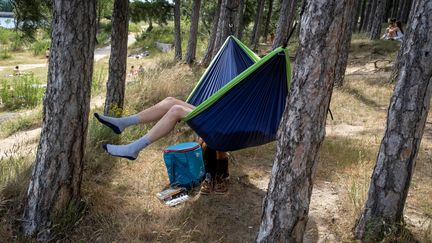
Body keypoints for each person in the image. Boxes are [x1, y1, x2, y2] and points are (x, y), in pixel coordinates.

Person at [94, 97, 195, 160]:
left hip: (209, 118)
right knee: (170, 101)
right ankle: (123, 122)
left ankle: (133, 149)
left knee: (176, 110)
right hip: (208, 112)